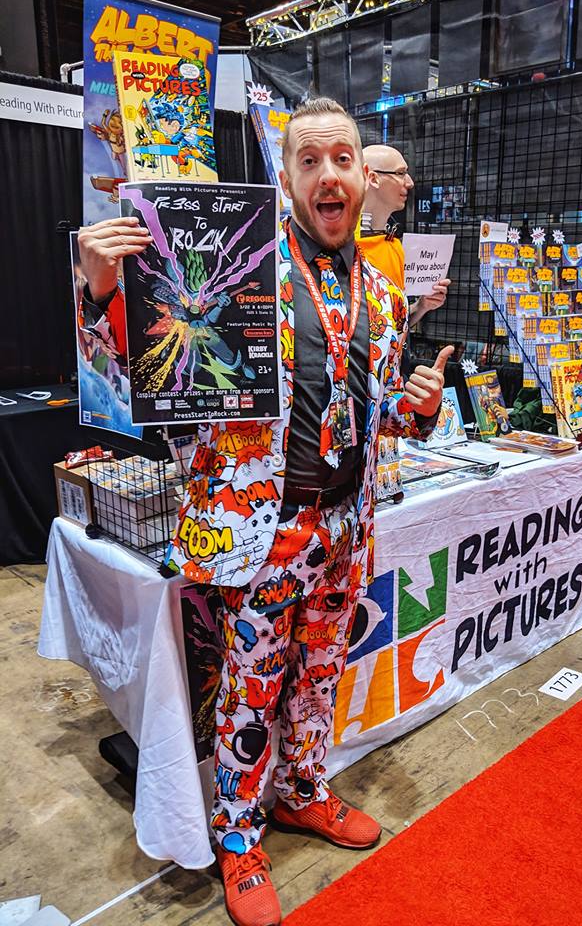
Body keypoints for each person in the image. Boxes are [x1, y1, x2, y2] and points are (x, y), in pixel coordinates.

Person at [78, 97, 452, 926]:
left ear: (363, 177)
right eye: (309, 161)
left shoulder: (382, 296)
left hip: (347, 526)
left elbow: (381, 408)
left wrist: (417, 406)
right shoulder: (237, 270)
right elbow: (135, 375)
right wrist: (100, 289)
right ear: (284, 178)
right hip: (261, 532)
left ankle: (303, 789)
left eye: (342, 160)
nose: (328, 174)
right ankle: (238, 834)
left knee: (320, 678)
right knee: (251, 692)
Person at [361, 143, 449, 328]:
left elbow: (395, 326)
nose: (409, 182)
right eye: (400, 173)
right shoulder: (345, 247)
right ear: (373, 177)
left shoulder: (393, 246)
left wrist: (421, 306)